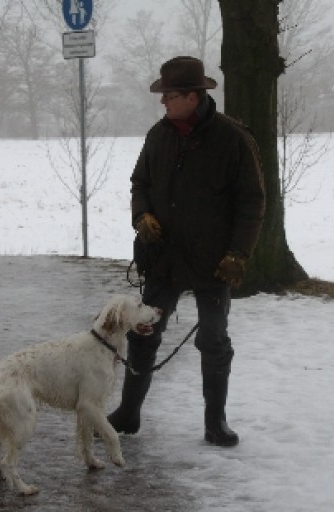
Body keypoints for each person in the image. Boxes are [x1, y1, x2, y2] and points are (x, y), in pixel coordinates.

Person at [107, 56, 265, 447]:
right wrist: (142, 215)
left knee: (214, 341)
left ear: (193, 97)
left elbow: (252, 202)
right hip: (163, 258)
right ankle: (128, 414)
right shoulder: (158, 135)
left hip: (215, 262)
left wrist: (239, 253)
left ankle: (216, 423)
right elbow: (140, 183)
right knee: (143, 334)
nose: (163, 101)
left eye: (170, 95)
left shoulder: (234, 139)